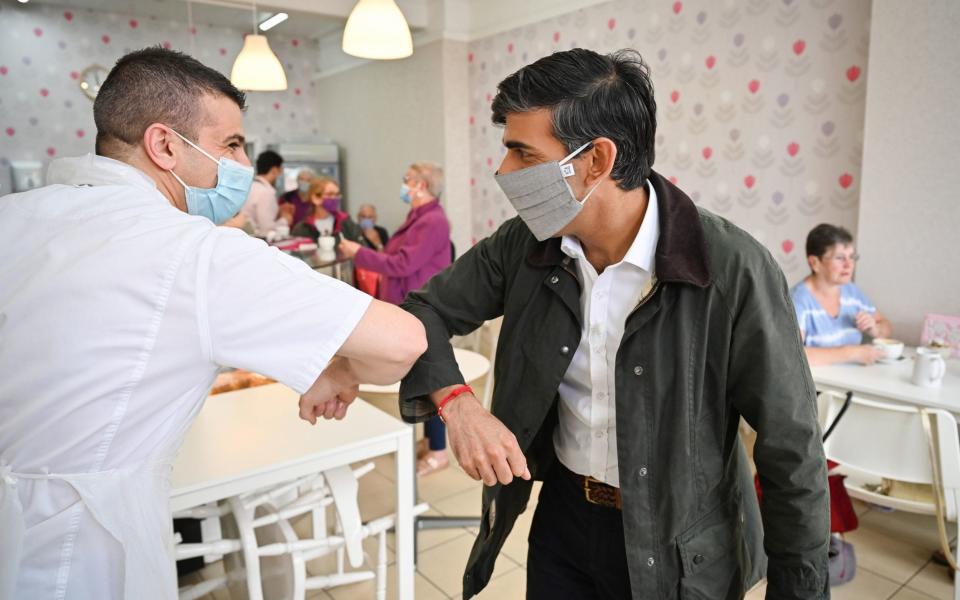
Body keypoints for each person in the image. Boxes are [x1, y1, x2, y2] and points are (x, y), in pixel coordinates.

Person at [396, 49, 829, 599]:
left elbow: (792, 448)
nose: (503, 172)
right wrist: (456, 402)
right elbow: (423, 309)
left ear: (597, 159)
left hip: (682, 547)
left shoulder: (731, 270)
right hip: (564, 523)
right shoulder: (524, 246)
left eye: (521, 152)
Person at [0, 47, 426, 599]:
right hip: (78, 558)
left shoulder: (16, 217)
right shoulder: (196, 252)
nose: (242, 164)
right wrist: (341, 366)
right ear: (165, 145)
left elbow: (114, 334)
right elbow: (401, 342)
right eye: (230, 144)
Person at [339, 162, 453, 475]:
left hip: (425, 310)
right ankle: (431, 442)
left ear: (422, 185)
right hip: (408, 307)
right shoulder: (417, 218)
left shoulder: (433, 221)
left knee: (430, 377)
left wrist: (357, 253)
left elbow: (402, 264)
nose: (404, 185)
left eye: (408, 180)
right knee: (419, 377)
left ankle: (439, 450)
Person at [792, 223, 892, 365]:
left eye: (851, 257)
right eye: (840, 258)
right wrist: (852, 353)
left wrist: (874, 329)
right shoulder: (797, 300)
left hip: (853, 381)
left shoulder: (851, 291)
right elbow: (792, 354)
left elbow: (886, 327)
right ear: (814, 263)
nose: (849, 264)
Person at [240, 149, 295, 236]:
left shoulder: (250, 187)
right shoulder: (265, 192)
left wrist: (278, 211)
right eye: (280, 170)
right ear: (274, 170)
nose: (280, 174)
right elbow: (266, 229)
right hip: (257, 239)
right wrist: (285, 219)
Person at [291, 176, 362, 242]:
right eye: (330, 194)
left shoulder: (346, 223)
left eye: (337, 194)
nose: (334, 198)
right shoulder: (302, 228)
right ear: (315, 198)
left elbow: (362, 249)